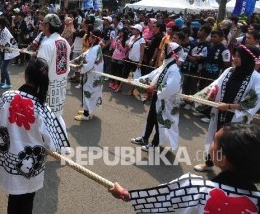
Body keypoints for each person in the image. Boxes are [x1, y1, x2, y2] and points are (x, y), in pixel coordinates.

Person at [109, 124, 260, 213]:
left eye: (214, 142)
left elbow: (158, 201)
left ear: (222, 157)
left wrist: (125, 194)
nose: (210, 146)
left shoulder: (195, 187)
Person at [0, 58, 70, 214]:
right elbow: (57, 145)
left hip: (9, 159)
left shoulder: (7, 97)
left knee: (13, 199)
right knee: (27, 200)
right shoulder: (43, 109)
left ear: (25, 74)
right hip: (31, 165)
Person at [193, 44, 260, 172]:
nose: (234, 58)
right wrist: (198, 98)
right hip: (220, 112)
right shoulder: (229, 71)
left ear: (248, 59)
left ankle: (230, 171)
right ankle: (209, 163)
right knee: (215, 137)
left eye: (239, 56)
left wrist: (229, 106)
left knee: (233, 143)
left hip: (236, 116)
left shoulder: (256, 78)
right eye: (235, 55)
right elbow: (214, 87)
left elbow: (253, 101)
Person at [131, 42, 183, 152]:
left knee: (160, 122)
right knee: (151, 118)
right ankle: (144, 138)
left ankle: (155, 143)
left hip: (166, 101)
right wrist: (136, 81)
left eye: (164, 51)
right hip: (158, 97)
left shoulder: (174, 70)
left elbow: (170, 88)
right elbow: (152, 76)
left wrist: (155, 88)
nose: (161, 53)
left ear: (170, 53)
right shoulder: (165, 65)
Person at [37, 14, 71, 131]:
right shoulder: (64, 42)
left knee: (46, 118)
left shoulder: (47, 44)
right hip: (60, 84)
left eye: (43, 24)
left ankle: (51, 146)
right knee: (57, 115)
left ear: (47, 26)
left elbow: (40, 70)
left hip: (49, 86)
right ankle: (61, 141)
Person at [73, 29, 104, 121]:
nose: (88, 38)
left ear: (94, 38)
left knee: (88, 93)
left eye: (90, 36)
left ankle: (86, 115)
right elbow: (84, 55)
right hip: (94, 77)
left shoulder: (94, 49)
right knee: (92, 94)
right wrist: (74, 61)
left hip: (91, 77)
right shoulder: (96, 47)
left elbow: (88, 65)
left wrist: (80, 68)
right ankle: (88, 111)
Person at [0, 17, 19, 89]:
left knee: (3, 68)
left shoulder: (5, 31)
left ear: (0, 24)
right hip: (3, 51)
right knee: (1, 67)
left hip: (7, 51)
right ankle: (2, 81)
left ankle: (8, 83)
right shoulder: (1, 30)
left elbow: (4, 41)